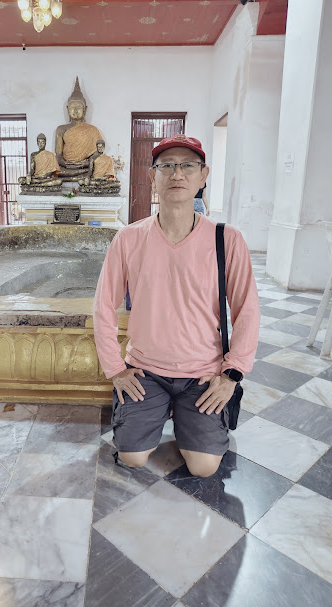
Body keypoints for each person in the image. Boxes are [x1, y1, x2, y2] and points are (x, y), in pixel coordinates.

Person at [93, 134, 260, 478]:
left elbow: (247, 309)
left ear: (203, 176)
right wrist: (115, 369)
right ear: (153, 177)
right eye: (166, 166)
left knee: (204, 467)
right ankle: (157, 412)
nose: (177, 174)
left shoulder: (226, 239)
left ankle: (185, 417)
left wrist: (232, 374)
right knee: (133, 457)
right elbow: (103, 306)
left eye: (188, 165)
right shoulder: (129, 238)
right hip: (145, 371)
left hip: (202, 371)